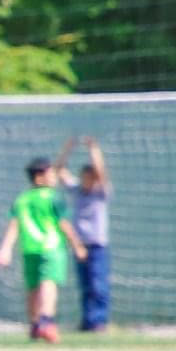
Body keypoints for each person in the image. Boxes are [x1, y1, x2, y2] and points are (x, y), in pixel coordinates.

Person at [0, 156, 84, 343]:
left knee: (33, 288)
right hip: (51, 248)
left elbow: (14, 224)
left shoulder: (23, 199)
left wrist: (6, 249)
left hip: (29, 249)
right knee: (48, 283)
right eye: (51, 174)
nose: (55, 177)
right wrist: (77, 245)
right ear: (39, 177)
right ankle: (47, 322)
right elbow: (64, 224)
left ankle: (34, 324)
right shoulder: (53, 197)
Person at [58, 136, 111, 331]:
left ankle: (99, 321)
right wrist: (67, 148)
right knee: (85, 286)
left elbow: (101, 172)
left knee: (98, 285)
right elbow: (60, 172)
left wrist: (94, 150)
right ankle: (88, 320)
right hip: (80, 245)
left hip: (97, 245)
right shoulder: (77, 190)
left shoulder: (100, 192)